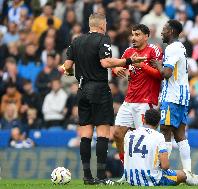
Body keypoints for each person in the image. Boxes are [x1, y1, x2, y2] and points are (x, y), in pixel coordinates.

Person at [59, 13, 146, 185]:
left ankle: (87, 176)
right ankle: (101, 176)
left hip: (82, 90)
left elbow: (67, 67)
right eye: (105, 23)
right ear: (101, 25)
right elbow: (105, 63)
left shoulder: (76, 41)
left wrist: (70, 72)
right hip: (98, 88)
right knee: (103, 133)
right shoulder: (103, 39)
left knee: (85, 134)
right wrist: (128, 61)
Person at [124, 108, 198, 186]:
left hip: (131, 179)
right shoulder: (158, 136)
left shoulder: (129, 135)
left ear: (144, 120)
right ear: (158, 124)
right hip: (150, 180)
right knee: (184, 175)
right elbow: (165, 166)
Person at [112, 24, 163, 165]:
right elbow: (116, 67)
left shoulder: (154, 50)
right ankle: (126, 168)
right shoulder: (129, 52)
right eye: (133, 34)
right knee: (117, 134)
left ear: (146, 36)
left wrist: (143, 66)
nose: (134, 38)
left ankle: (151, 168)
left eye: (138, 34)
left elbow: (161, 75)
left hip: (146, 101)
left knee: (145, 139)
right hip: (129, 100)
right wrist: (116, 70)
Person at [153, 20, 192, 172]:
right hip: (182, 95)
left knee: (164, 131)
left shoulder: (172, 47)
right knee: (180, 134)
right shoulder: (180, 46)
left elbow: (166, 74)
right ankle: (188, 172)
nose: (162, 32)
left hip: (172, 96)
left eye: (164, 29)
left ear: (171, 31)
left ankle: (163, 171)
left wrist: (157, 64)